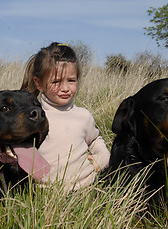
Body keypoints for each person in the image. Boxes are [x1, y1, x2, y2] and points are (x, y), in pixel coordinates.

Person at [21, 42, 110, 192]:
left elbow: (95, 140)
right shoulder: (34, 117)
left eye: (71, 80)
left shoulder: (83, 116)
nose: (65, 88)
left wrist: (101, 159)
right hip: (44, 193)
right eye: (56, 82)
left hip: (84, 189)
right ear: (39, 83)